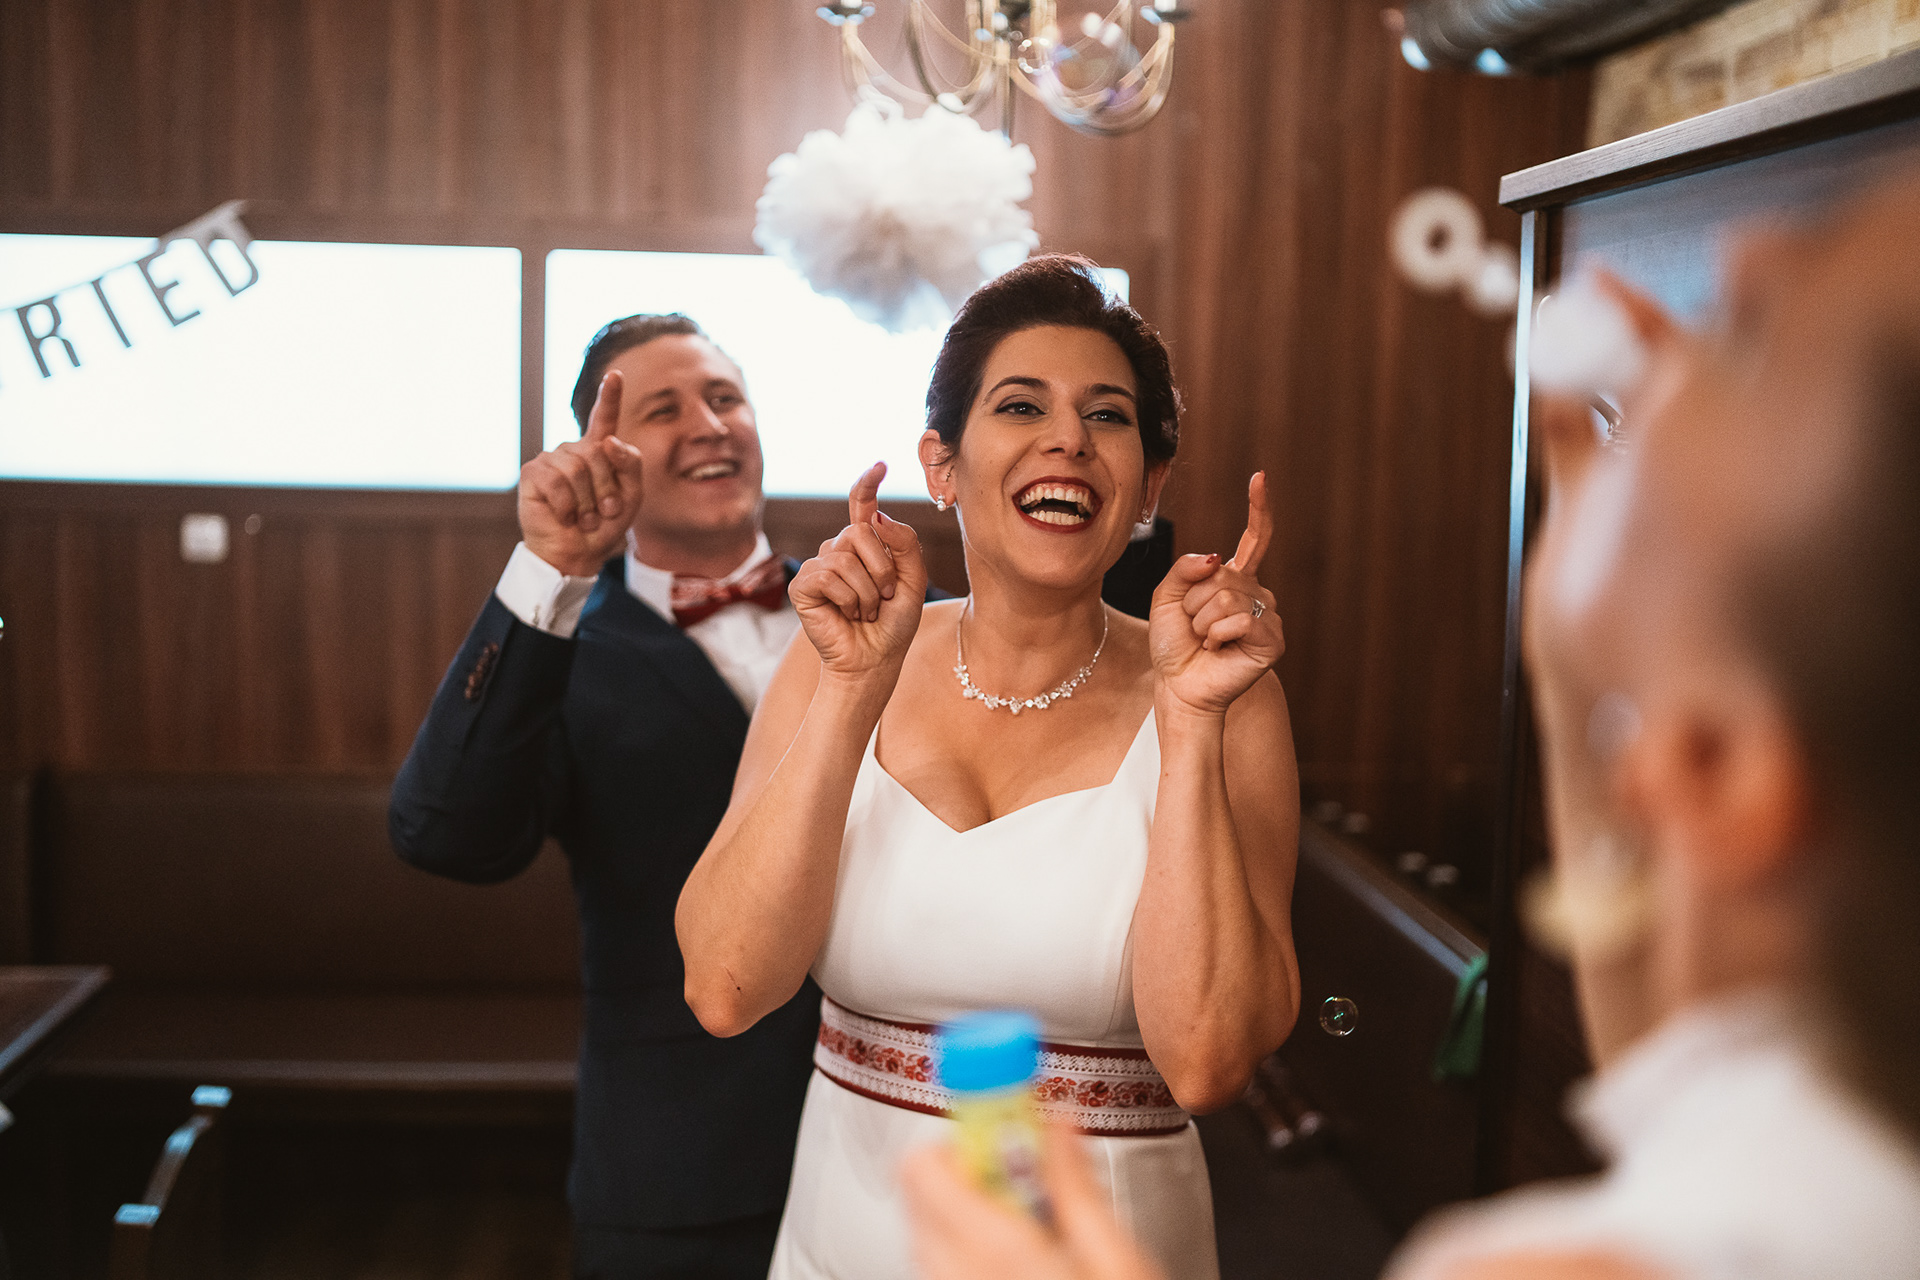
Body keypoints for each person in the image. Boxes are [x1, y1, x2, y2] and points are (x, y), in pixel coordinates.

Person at [900, 175, 1920, 1279]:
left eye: (1770, 333)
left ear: (1710, 772)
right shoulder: (1831, 1142)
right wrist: (1570, 660)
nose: (1751, 250)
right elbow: (1676, 1079)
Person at [674, 255, 1303, 1280]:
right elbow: (724, 986)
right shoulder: (834, 660)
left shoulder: (1226, 696)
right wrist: (852, 689)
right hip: (841, 1240)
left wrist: (1186, 721)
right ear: (942, 463)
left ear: (1149, 484)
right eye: (1021, 405)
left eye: (1108, 416)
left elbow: (1206, 1062)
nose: (1068, 439)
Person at [389, 314, 821, 1280]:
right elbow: (444, 834)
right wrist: (553, 570)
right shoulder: (561, 648)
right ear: (601, 457)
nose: (709, 424)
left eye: (725, 397)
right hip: (681, 1157)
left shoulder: (881, 616)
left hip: (903, 1137)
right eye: (664, 410)